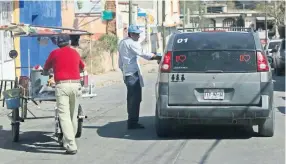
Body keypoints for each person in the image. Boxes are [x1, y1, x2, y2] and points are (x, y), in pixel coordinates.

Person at [43, 35, 85, 155]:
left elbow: (46, 68)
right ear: (69, 42)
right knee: (73, 115)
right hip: (76, 85)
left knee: (64, 116)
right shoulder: (75, 53)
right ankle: (70, 140)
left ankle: (71, 145)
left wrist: (46, 72)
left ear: (57, 43)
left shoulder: (54, 53)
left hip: (62, 86)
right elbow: (82, 67)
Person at [118, 25, 161, 130]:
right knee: (135, 99)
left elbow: (120, 62)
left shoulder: (122, 43)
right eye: (137, 34)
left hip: (127, 74)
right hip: (132, 74)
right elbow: (143, 54)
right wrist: (156, 56)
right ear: (131, 34)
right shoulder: (131, 43)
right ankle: (133, 122)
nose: (138, 36)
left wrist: (123, 71)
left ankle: (131, 120)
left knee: (132, 99)